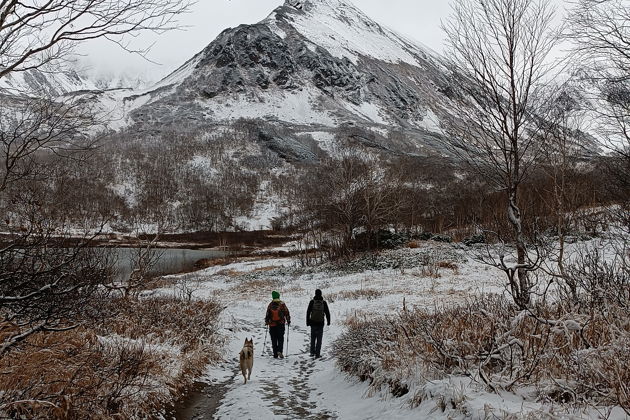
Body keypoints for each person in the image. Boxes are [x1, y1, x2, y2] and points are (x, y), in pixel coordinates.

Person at [265, 291, 291, 359]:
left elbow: (267, 314)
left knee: (274, 339)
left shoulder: (270, 304)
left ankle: (275, 354)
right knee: (280, 338)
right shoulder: (282, 304)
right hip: (281, 324)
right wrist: (288, 320)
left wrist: (267, 321)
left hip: (272, 324)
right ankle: (280, 351)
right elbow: (287, 312)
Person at [306, 289, 330, 358]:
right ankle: (317, 354)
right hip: (320, 323)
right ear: (321, 294)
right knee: (319, 339)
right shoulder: (324, 303)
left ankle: (312, 352)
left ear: (315, 294)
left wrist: (307, 322)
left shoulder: (312, 302)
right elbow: (327, 312)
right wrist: (328, 321)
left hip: (313, 323)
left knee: (313, 338)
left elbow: (308, 312)